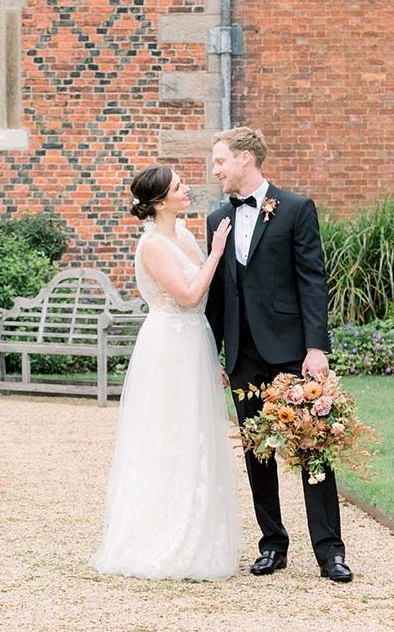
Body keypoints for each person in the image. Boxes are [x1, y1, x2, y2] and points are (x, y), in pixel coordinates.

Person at [205, 127, 353, 583]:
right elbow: (216, 295)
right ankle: (273, 545)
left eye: (220, 161)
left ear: (246, 159)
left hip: (291, 352)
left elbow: (312, 280)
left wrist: (316, 348)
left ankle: (330, 552)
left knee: (313, 447)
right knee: (257, 452)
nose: (215, 170)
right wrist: (211, 353)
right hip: (243, 354)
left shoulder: (295, 209)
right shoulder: (216, 220)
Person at [90, 164, 240, 581]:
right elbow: (190, 296)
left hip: (194, 342)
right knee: (168, 434)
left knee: (197, 432)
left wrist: (214, 358)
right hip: (169, 344)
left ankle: (198, 529)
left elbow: (200, 305)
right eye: (178, 186)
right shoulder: (154, 245)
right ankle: (160, 536)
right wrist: (216, 253)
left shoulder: (186, 236)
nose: (186, 188)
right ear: (158, 201)